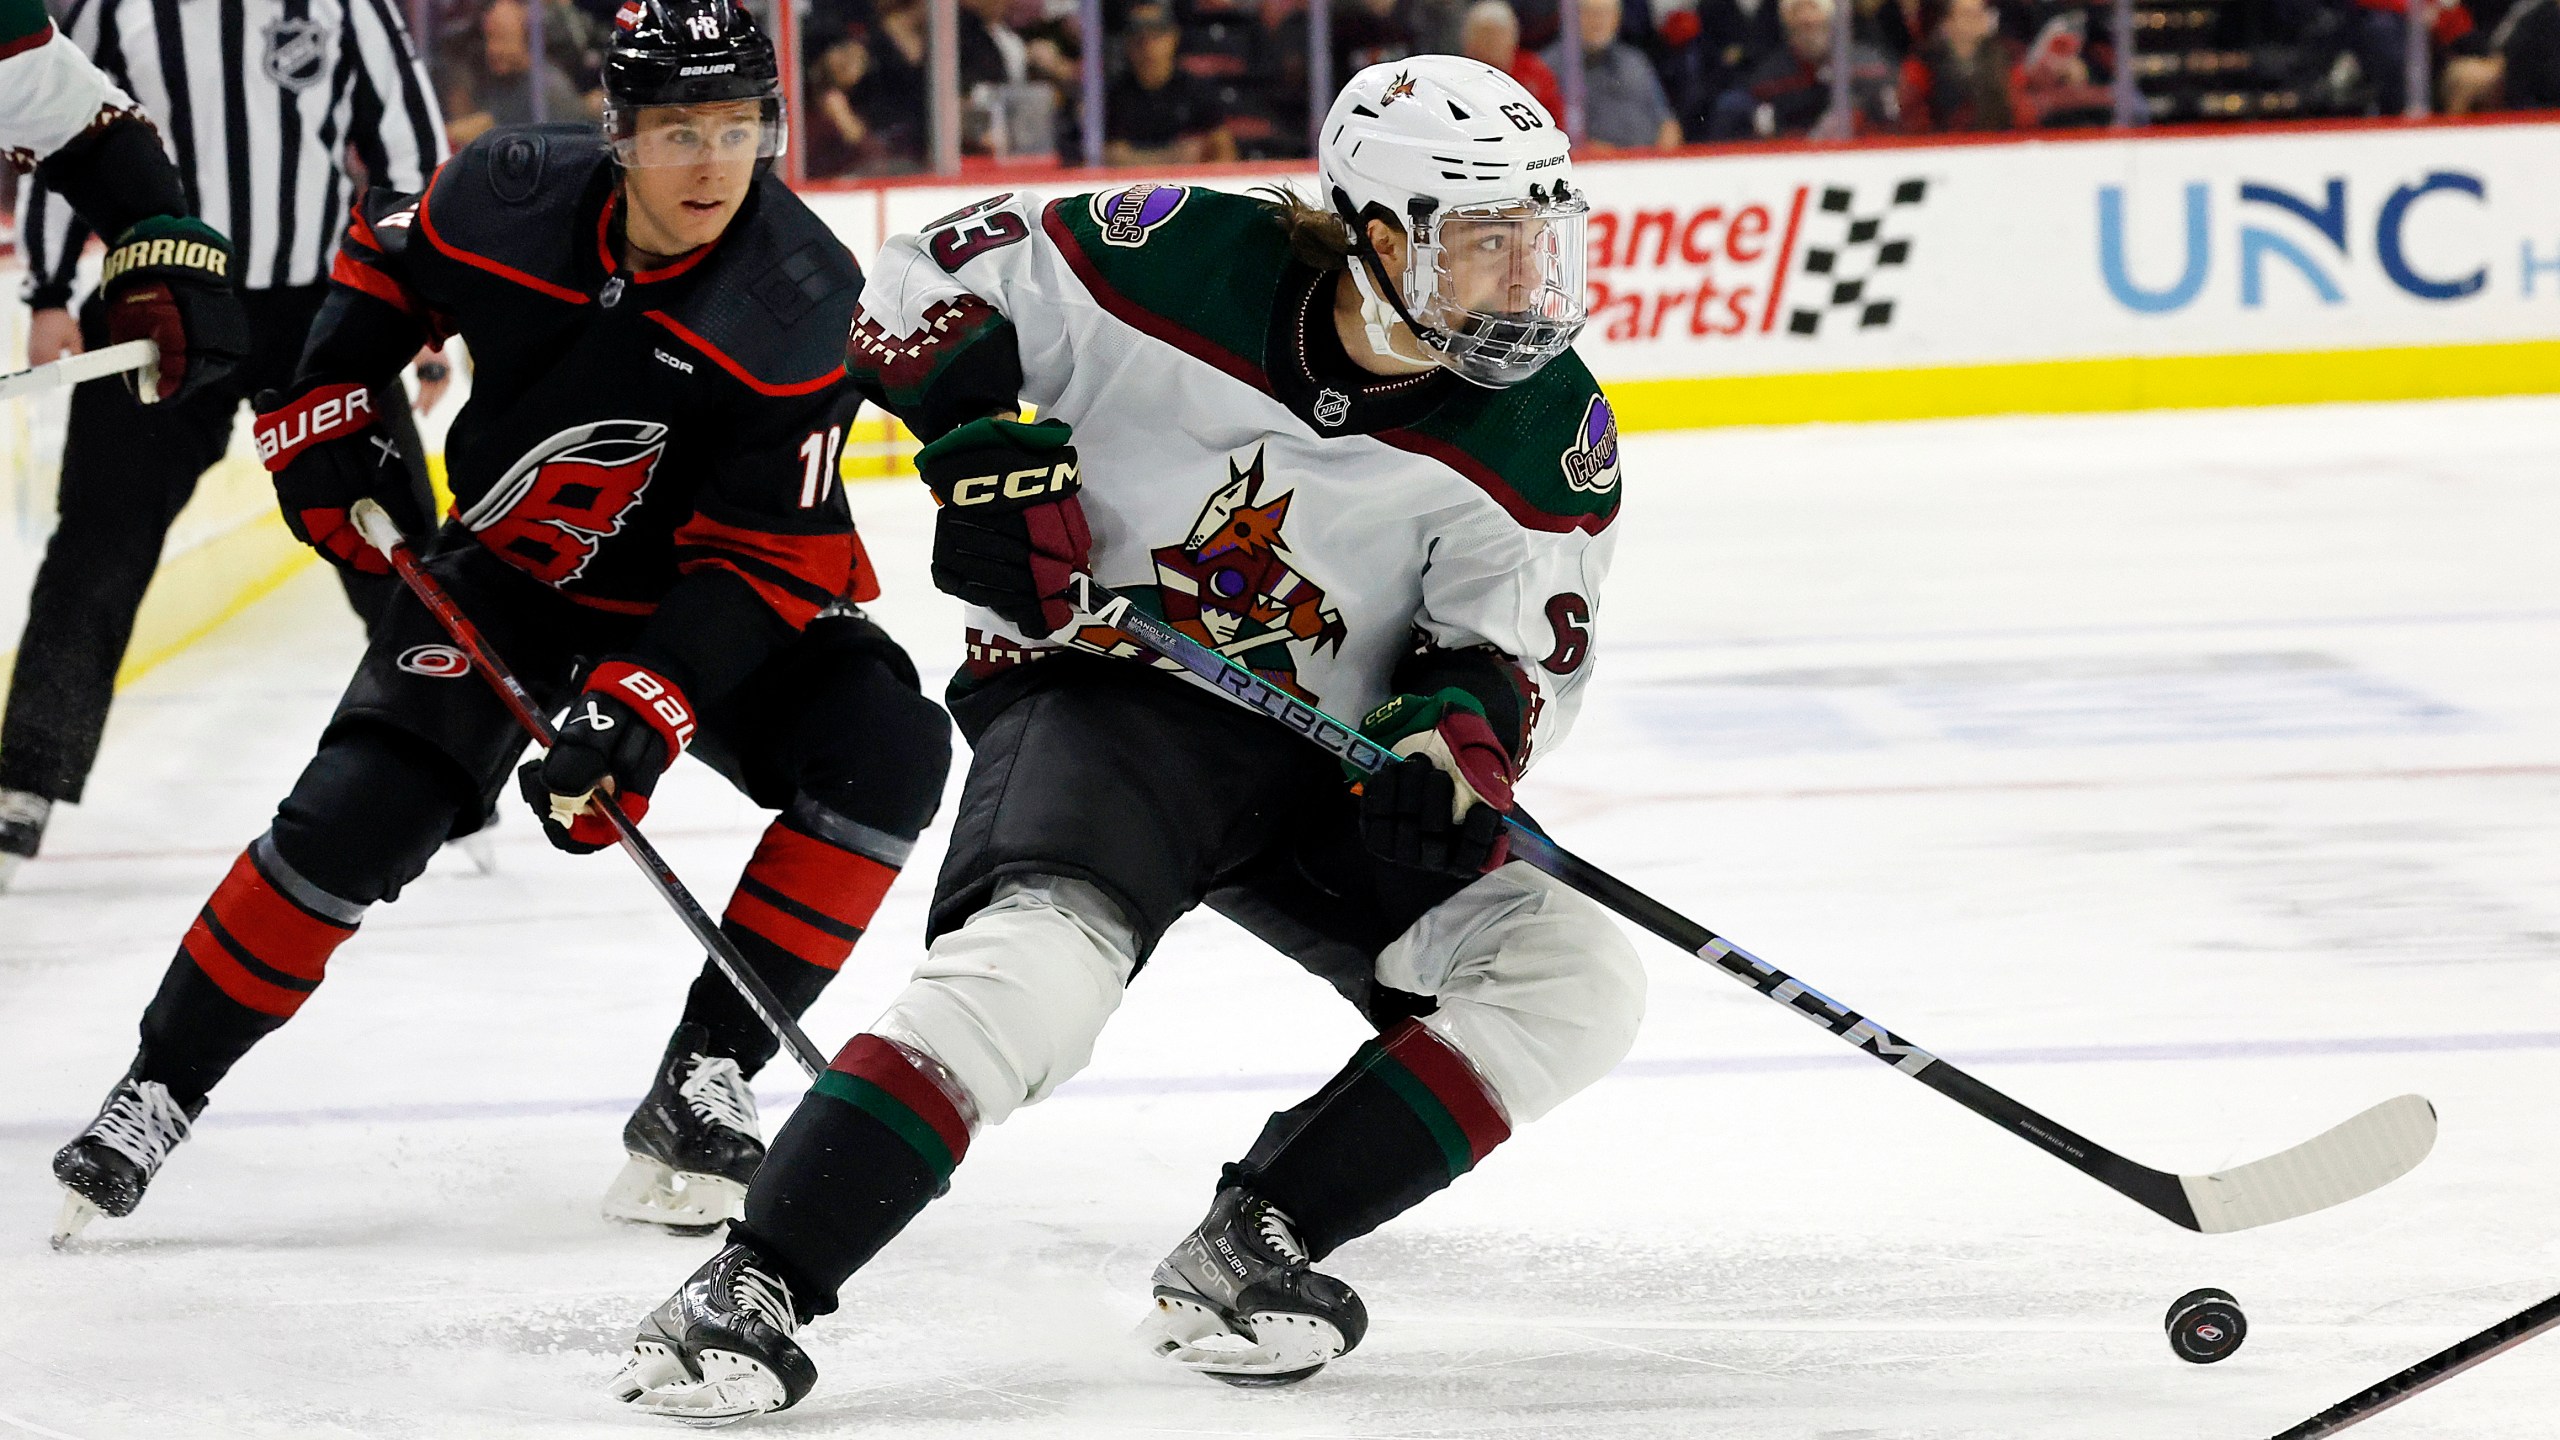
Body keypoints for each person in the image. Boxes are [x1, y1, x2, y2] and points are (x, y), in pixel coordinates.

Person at [610, 55, 1645, 1423]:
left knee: (1570, 973)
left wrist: (1452, 747)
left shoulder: (1547, 423)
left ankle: (1252, 1245)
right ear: (1381, 235)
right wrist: (973, 438)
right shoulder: (1172, 256)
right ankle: (754, 1284)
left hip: (1327, 759)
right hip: (1108, 696)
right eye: (1486, 240)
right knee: (1036, 977)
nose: (1527, 278)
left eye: (1539, 235)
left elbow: (1510, 653)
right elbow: (920, 281)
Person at [47, 0, 952, 1245]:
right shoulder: (508, 195)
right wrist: (324, 409)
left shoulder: (798, 301)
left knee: (890, 748)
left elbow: (768, 558)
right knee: (356, 812)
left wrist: (643, 711)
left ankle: (706, 1077)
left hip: (700, 598)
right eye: (680, 130)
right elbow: (382, 263)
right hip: (512, 574)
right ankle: (159, 1085)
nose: (712, 163)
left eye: (740, 126)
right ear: (621, 132)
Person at [4, 0, 448, 886]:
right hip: (153, 306)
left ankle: (448, 751)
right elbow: (52, 127)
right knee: (100, 539)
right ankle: (28, 777)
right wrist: (50, 291)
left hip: (320, 311)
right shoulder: (114, 6)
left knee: (396, 541)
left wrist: (428, 290)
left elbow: (405, 143)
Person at [1712, 0, 1897, 135]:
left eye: (1814, 9)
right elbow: (1768, 135)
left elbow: (1893, 124)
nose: (1807, 19)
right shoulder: (1769, 80)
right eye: (1798, 14)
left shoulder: (1872, 68)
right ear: (1788, 27)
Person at [1104, 4, 1239, 165]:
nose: (1148, 47)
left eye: (1156, 36)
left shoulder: (1196, 90)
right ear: (1127, 43)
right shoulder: (1114, 97)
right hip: (1132, 187)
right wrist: (1173, 157)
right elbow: (1111, 157)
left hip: (1189, 185)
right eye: (1139, 39)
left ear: (1173, 37)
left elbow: (1225, 152)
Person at [1540, 0, 1684, 149]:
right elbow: (1546, 134)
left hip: (1650, 162)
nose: (1598, 22)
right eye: (1590, 14)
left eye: (1605, 14)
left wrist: (1662, 154)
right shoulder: (1548, 68)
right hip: (1590, 166)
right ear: (1571, 17)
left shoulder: (1635, 62)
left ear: (1617, 19)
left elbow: (1666, 121)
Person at [1897, 0, 2023, 129]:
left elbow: (2021, 114)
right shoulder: (1921, 66)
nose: (1978, 20)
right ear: (1947, 22)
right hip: (1941, 144)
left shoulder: (2007, 60)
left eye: (1982, 12)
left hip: (1997, 143)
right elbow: (1913, 122)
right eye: (1968, 14)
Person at [1460, 0, 1567, 119]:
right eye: (1486, 35)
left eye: (1499, 35)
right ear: (1470, 40)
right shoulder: (1457, 74)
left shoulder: (1536, 73)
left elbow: (1556, 121)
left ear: (1513, 37)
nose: (1493, 43)